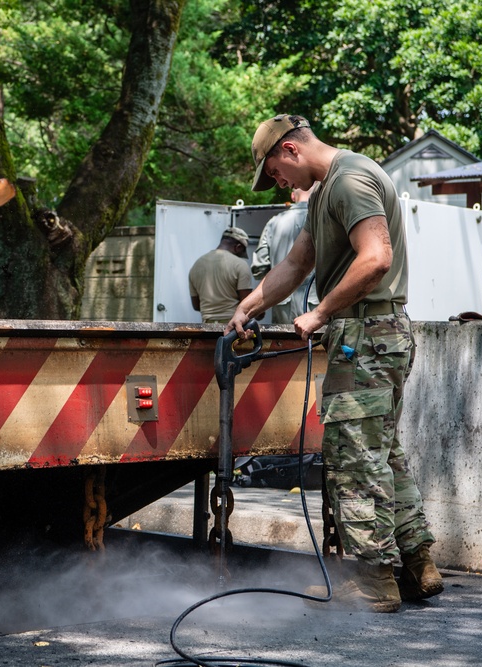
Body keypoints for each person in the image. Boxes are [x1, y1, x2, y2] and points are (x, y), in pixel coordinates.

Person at [225, 114, 442, 613]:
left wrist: (321, 312)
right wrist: (248, 307)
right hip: (373, 335)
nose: (278, 183)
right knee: (382, 453)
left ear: (291, 149)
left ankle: (373, 582)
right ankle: (416, 565)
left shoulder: (349, 179)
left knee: (354, 461)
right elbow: (297, 264)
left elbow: (376, 257)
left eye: (275, 171)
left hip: (365, 336)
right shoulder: (326, 192)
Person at [251, 185, 319, 324]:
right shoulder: (323, 219)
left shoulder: (274, 222)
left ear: (293, 197)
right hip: (317, 301)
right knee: (319, 344)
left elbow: (259, 267)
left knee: (285, 344)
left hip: (282, 302)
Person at [188, 227, 253, 323]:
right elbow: (248, 305)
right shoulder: (240, 265)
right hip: (233, 326)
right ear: (238, 247)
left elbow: (196, 305)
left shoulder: (196, 265)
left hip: (206, 326)